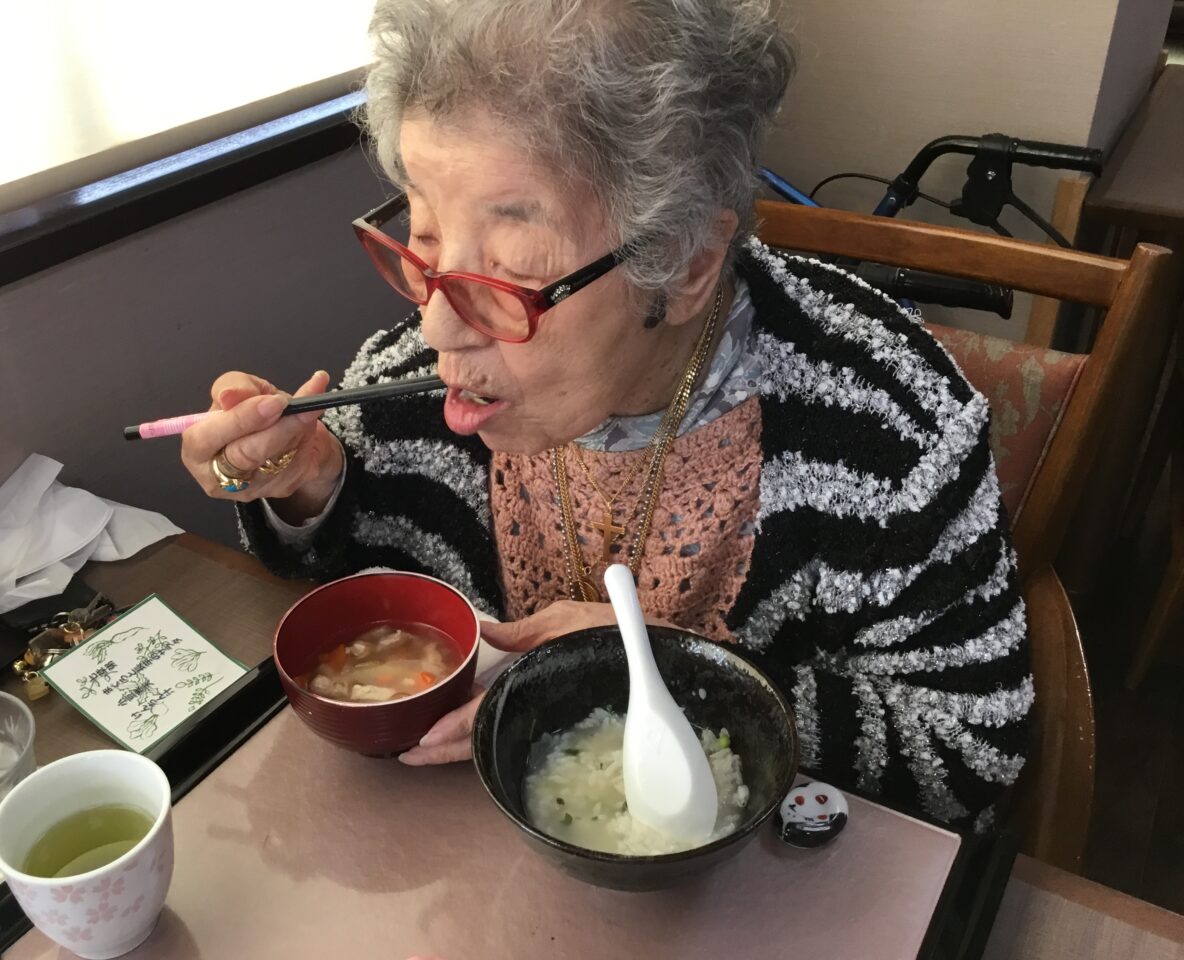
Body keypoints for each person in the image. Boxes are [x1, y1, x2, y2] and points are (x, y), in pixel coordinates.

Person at [178, 0, 1030, 831]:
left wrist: (678, 674)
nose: (436, 328)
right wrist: (310, 488)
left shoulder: (886, 423)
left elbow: (970, 755)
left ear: (685, 262)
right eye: (426, 236)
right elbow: (354, 583)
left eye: (510, 271)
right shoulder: (414, 375)